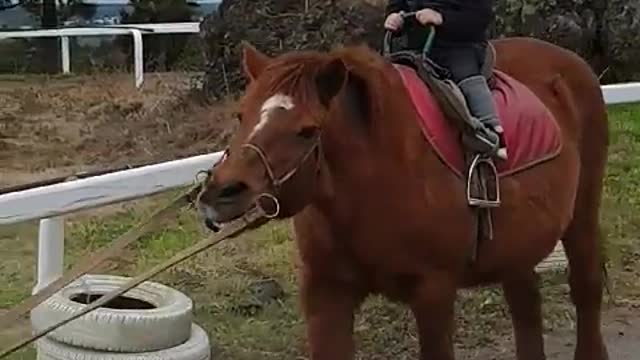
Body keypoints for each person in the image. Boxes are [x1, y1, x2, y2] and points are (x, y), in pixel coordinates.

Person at [384, 0, 507, 160]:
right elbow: (398, 5)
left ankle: (492, 133)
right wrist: (394, 16)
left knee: (466, 77)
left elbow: (481, 16)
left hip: (458, 45)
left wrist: (442, 18)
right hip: (414, 48)